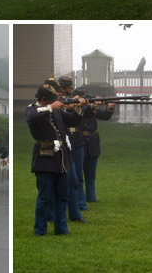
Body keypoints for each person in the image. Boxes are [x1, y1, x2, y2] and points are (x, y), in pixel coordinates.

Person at [26, 82, 83, 236]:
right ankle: (40, 230)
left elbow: (71, 120)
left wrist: (78, 107)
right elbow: (32, 116)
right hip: (44, 159)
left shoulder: (56, 110)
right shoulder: (33, 109)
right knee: (44, 197)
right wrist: (51, 107)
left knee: (62, 196)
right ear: (44, 100)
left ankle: (61, 228)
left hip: (61, 159)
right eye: (52, 100)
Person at [57, 76, 88, 221]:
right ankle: (54, 214)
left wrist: (77, 106)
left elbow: (76, 119)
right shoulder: (55, 103)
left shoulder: (68, 101)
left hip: (75, 140)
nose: (70, 90)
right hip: (62, 144)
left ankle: (77, 211)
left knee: (75, 179)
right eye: (68, 87)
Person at [80, 100, 116, 204]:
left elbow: (104, 116)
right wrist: (91, 106)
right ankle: (80, 198)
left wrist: (109, 108)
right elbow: (84, 112)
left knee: (91, 173)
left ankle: (91, 197)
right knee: (78, 175)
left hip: (92, 142)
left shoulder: (93, 108)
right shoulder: (77, 108)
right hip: (79, 140)